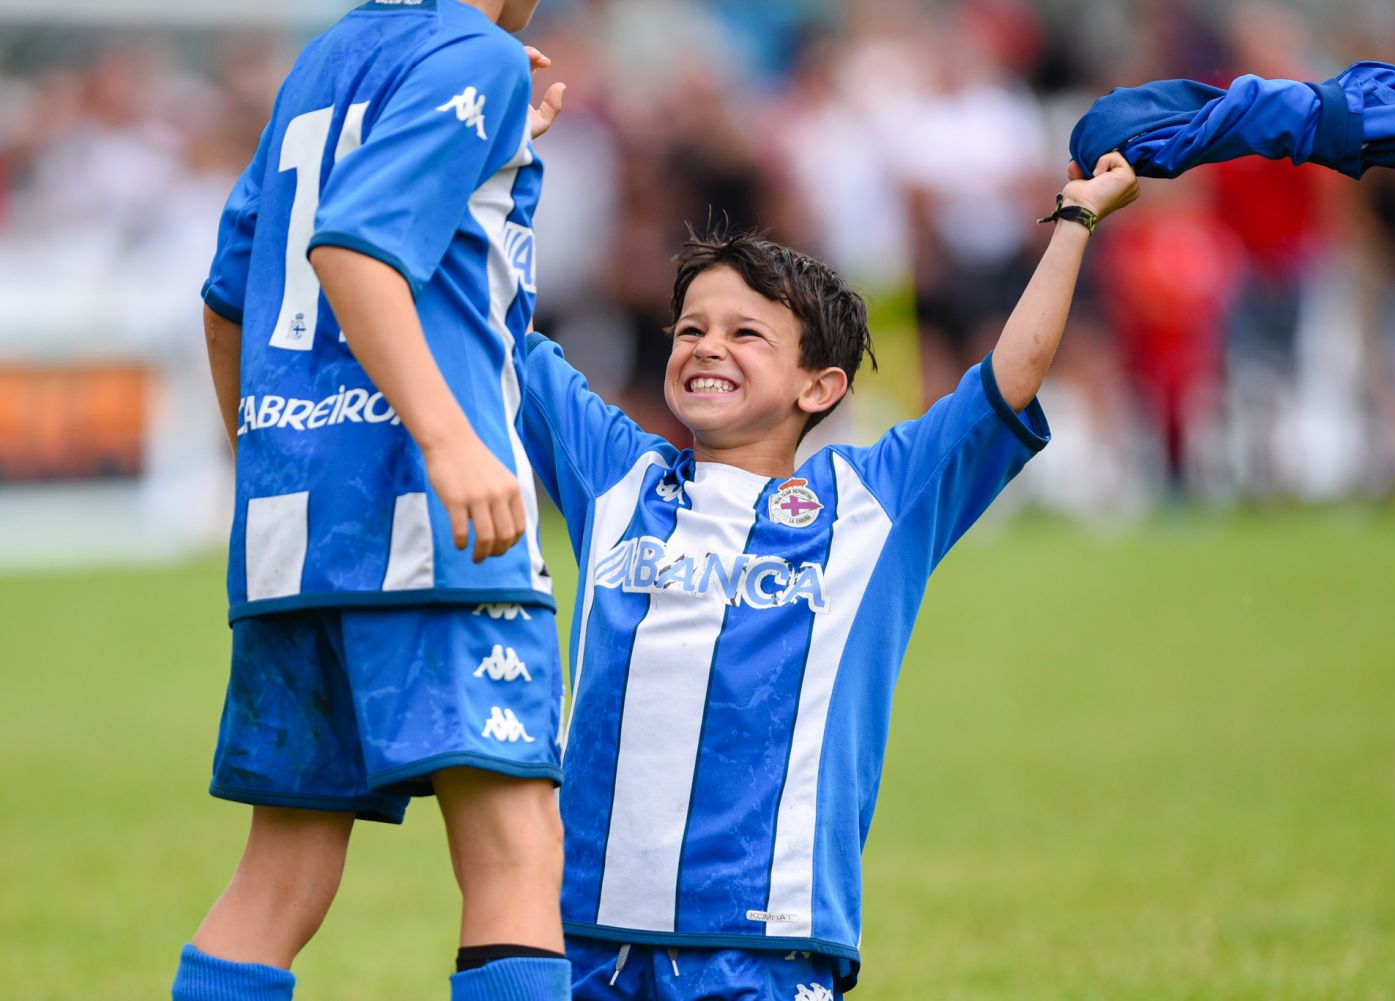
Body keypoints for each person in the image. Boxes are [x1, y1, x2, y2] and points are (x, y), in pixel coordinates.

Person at [520, 154, 1140, 998]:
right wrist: (504, 164)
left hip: (765, 937)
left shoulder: (874, 503)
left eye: (746, 333)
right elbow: (504, 334)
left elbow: (1008, 380)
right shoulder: (616, 475)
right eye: (692, 328)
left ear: (823, 385)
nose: (708, 347)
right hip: (584, 926)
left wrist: (1076, 218)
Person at [173, 2, 570, 999]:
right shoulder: (475, 54)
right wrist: (447, 439)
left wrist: (274, 464)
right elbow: (354, 250)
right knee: (516, 842)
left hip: (293, 529)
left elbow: (228, 299)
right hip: (434, 521)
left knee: (283, 867)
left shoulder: (328, 59)